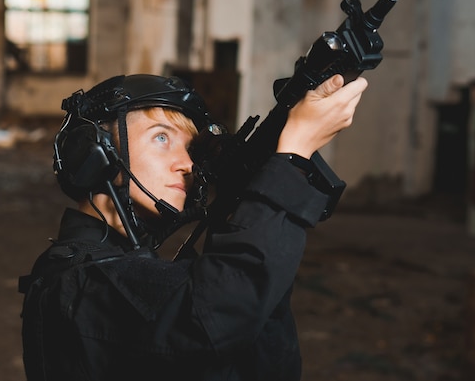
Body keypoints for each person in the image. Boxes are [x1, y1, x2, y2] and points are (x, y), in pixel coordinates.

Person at [19, 72, 367, 381]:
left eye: (189, 149)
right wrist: (294, 151)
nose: (186, 164)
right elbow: (218, 313)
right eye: (161, 138)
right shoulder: (80, 281)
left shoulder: (125, 269)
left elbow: (260, 358)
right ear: (95, 153)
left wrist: (235, 212)